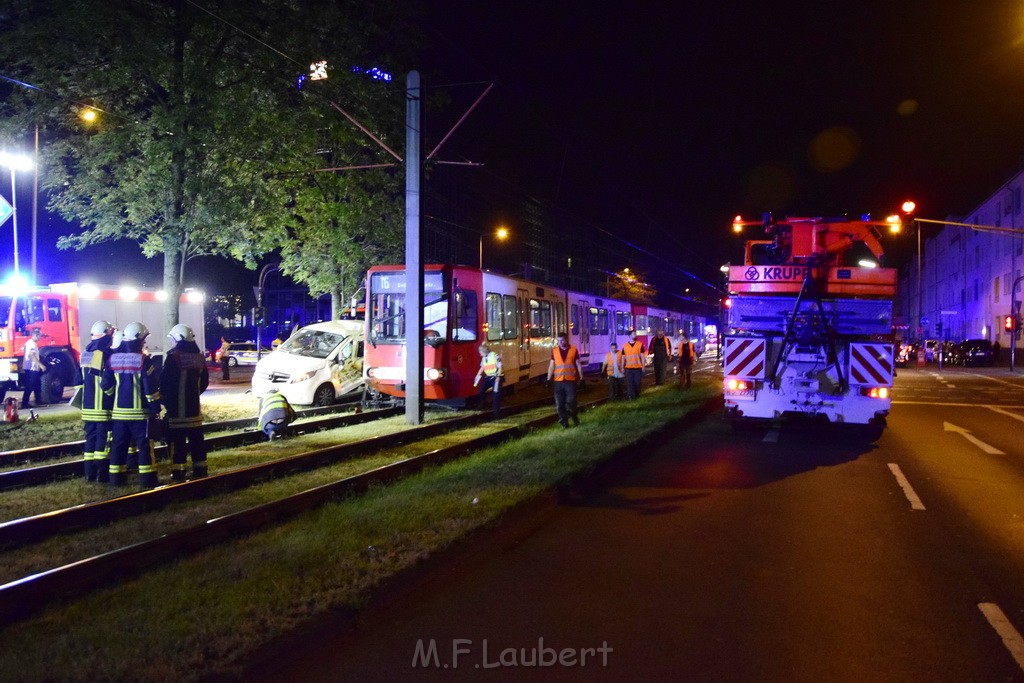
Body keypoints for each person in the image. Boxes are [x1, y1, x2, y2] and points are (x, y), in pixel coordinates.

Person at [102, 322, 161, 488]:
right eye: (143, 340)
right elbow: (150, 390)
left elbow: (106, 386)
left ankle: (116, 480)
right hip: (140, 415)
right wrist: (156, 409)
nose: (144, 343)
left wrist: (115, 397)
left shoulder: (112, 359)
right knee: (144, 447)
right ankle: (148, 481)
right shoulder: (143, 360)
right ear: (138, 340)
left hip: (119, 415)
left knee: (118, 447)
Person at [161, 324, 210, 482]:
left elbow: (165, 383)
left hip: (177, 412)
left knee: (178, 443)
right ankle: (200, 471)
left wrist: (166, 401)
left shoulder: (173, 357)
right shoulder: (199, 357)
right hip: (194, 412)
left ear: (179, 339)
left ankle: (179, 473)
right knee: (197, 442)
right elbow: (204, 383)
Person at [80, 320, 116, 482]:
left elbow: (77, 383)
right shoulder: (105, 355)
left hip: (87, 408)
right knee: (103, 440)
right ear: (106, 337)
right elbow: (108, 382)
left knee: (90, 439)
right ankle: (102, 474)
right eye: (111, 335)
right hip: (103, 407)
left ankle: (89, 474)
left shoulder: (85, 354)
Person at [547, 332, 585, 428]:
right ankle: (564, 422)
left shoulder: (573, 350)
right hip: (558, 381)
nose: (560, 342)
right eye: (559, 340)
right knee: (559, 403)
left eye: (562, 340)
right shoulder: (554, 351)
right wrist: (548, 379)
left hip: (570, 381)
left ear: (566, 339)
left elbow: (578, 364)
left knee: (571, 401)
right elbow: (551, 366)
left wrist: (581, 378)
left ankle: (574, 416)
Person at [473, 342, 503, 417]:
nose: (480, 354)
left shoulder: (494, 356)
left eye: (481, 352)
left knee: (495, 395)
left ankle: (496, 414)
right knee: (481, 391)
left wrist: (498, 377)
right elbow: (482, 367)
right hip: (488, 378)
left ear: (484, 351)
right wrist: (477, 375)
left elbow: (500, 366)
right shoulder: (484, 358)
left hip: (496, 378)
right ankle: (482, 405)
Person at [21, 327, 43, 409]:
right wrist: (41, 365)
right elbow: (32, 355)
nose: (40, 337)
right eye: (39, 335)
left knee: (35, 384)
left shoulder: (30, 343)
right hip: (31, 368)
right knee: (30, 386)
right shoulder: (32, 344)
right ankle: (24, 403)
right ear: (35, 335)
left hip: (30, 368)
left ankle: (38, 400)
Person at [621, 329, 647, 400]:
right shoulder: (625, 346)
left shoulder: (639, 344)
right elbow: (623, 357)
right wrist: (622, 367)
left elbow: (642, 356)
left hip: (638, 368)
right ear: (629, 336)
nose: (635, 335)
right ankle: (630, 397)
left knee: (637, 383)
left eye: (635, 334)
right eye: (633, 334)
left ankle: (636, 395)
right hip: (628, 368)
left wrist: (643, 366)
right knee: (630, 383)